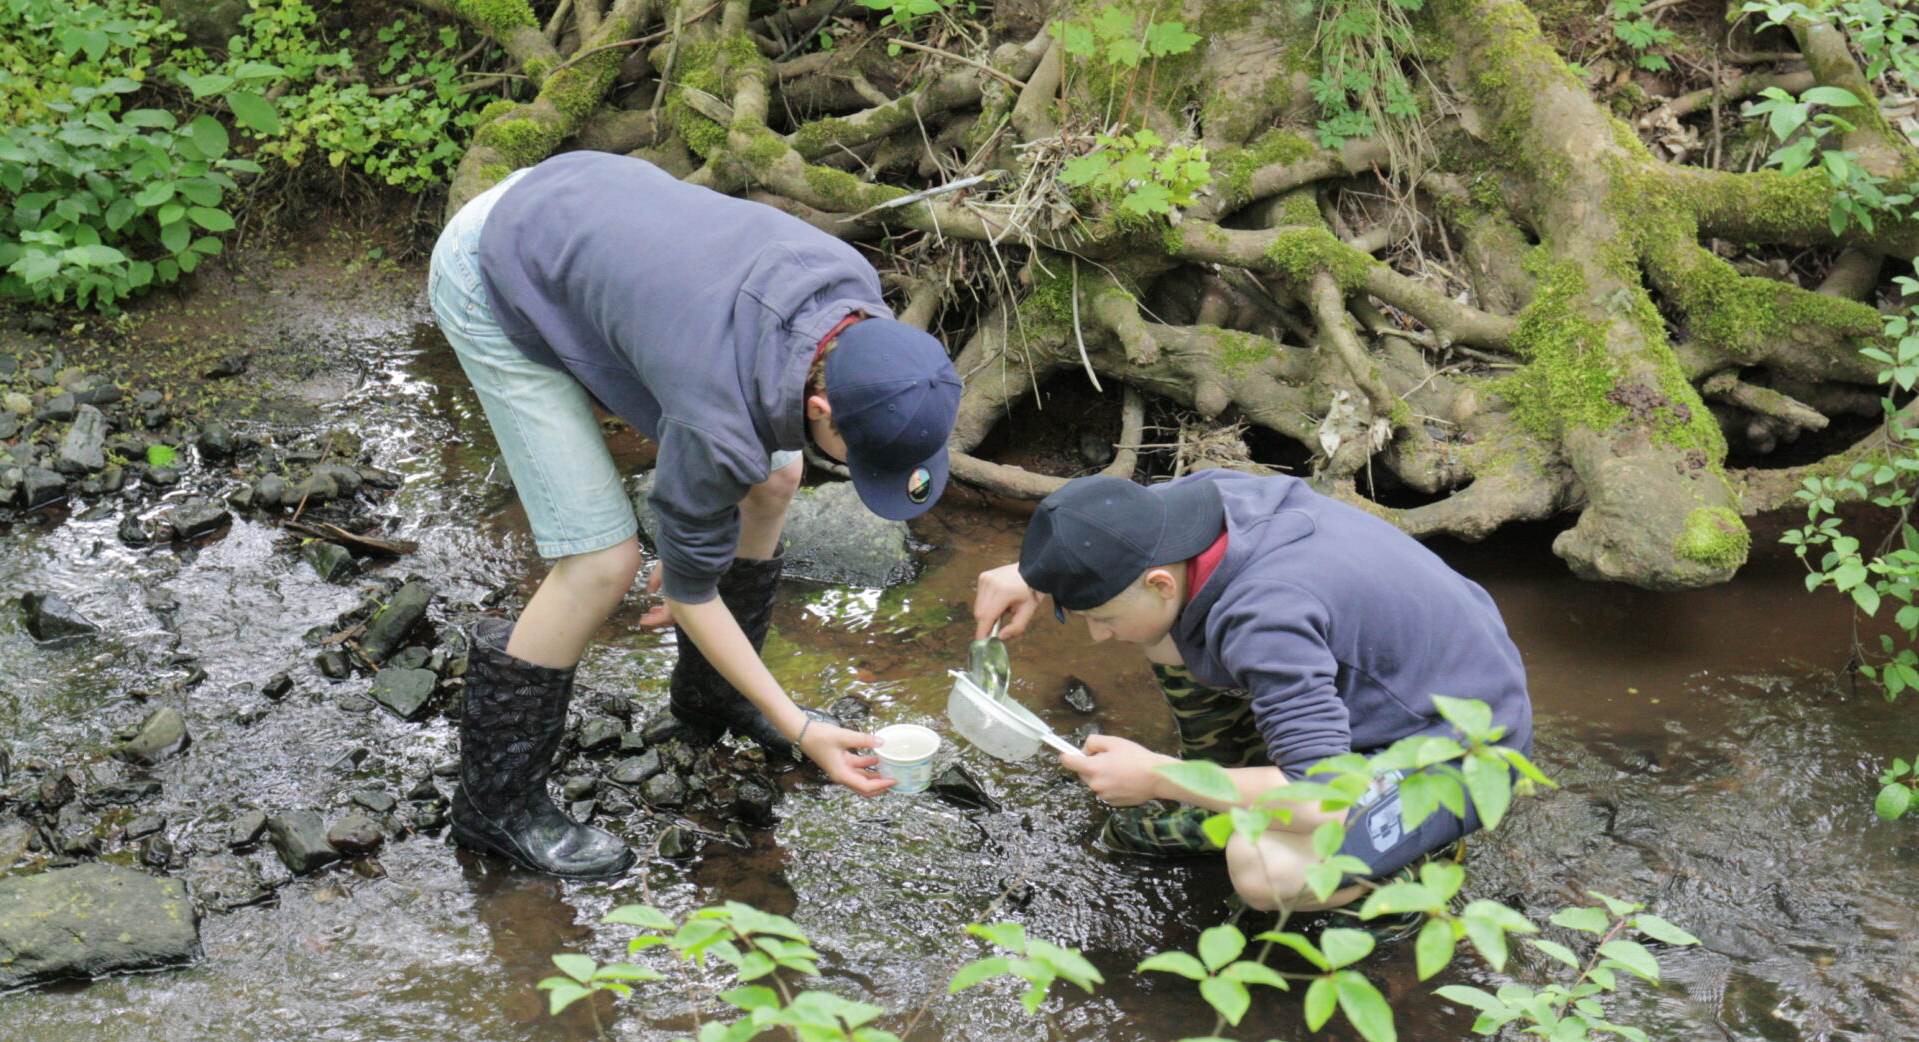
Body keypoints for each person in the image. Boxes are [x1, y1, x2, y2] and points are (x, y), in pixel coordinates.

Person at [429, 151, 962, 880]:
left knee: (778, 478)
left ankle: (710, 698)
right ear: (821, 405)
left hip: (590, 210)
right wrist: (799, 726)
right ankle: (494, 803)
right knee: (601, 563)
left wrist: (696, 569)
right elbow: (688, 591)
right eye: (860, 456)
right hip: (495, 264)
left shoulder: (852, 299)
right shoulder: (718, 416)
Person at [971, 471, 1531, 915]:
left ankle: (1413, 876)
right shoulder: (1201, 503)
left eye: (1101, 617)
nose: (1098, 635)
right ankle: (1230, 777)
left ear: (1160, 581)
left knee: (1264, 867)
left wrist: (1161, 777)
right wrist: (1039, 572)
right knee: (1160, 632)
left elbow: (1319, 797)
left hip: (1464, 748)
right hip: (1424, 673)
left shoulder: (1266, 619)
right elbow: (1112, 523)